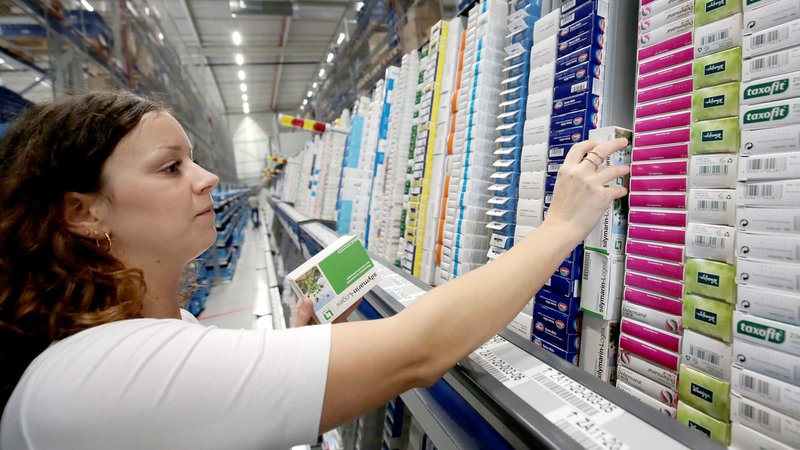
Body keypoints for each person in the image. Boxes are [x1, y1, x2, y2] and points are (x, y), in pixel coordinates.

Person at [0, 91, 629, 449]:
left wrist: (298, 359)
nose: (209, 178)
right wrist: (563, 226)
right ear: (82, 211)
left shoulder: (146, 339)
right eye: (172, 168)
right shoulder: (108, 374)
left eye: (194, 160)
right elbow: (422, 348)